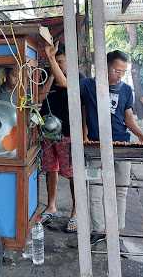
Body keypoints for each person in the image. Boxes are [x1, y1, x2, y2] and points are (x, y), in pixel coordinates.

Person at [80, 50, 143, 248]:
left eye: (123, 71)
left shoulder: (126, 90)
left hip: (121, 147)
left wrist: (140, 134)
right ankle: (99, 230)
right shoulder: (88, 85)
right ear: (105, 67)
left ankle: (116, 231)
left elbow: (128, 117)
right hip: (95, 147)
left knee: (121, 190)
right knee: (94, 190)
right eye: (116, 70)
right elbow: (77, 103)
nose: (119, 75)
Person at [39, 42, 82, 233]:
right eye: (56, 61)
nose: (59, 64)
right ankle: (51, 206)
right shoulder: (45, 78)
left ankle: (76, 212)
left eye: (62, 61)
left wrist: (51, 60)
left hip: (68, 134)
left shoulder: (76, 78)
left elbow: (65, 84)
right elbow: (40, 98)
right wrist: (49, 76)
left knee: (72, 174)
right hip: (48, 133)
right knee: (50, 169)